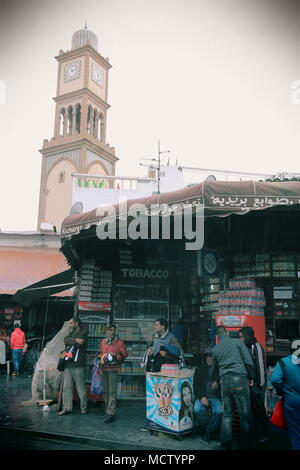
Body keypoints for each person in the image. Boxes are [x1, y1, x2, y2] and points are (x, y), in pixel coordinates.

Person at [211, 326, 254, 450]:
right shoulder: (237, 342)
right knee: (244, 412)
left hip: (224, 380)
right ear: (227, 332)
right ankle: (246, 444)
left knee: (227, 413)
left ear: (218, 336)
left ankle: (225, 443)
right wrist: (251, 377)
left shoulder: (216, 349)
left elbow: (214, 368)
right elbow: (249, 361)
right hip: (239, 378)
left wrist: (215, 381)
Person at [239, 326, 269, 442]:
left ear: (247, 336)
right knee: (252, 411)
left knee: (259, 411)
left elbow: (261, 368)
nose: (240, 339)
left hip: (257, 385)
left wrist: (259, 386)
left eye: (242, 337)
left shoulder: (256, 347)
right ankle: (255, 434)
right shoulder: (245, 347)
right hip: (250, 385)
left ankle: (263, 434)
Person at [270, 338, 300, 450]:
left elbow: (274, 380)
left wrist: (281, 391)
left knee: (295, 432)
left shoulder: (283, 362)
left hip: (292, 402)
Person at [58, 317, 88, 416]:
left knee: (81, 388)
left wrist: (71, 340)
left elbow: (81, 342)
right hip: (68, 364)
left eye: (71, 323)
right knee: (67, 388)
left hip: (78, 364)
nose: (69, 325)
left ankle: (83, 408)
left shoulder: (84, 331)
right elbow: (65, 340)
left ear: (77, 323)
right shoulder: (69, 333)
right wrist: (75, 340)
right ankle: (67, 408)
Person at [99, 324, 128, 423]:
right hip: (104, 369)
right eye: (110, 330)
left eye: (114, 330)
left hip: (113, 369)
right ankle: (107, 411)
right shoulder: (103, 342)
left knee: (112, 392)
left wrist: (115, 355)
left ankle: (111, 413)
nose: (112, 332)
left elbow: (124, 354)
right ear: (106, 331)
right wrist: (100, 356)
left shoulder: (119, 342)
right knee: (106, 391)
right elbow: (101, 352)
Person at [193, 348, 222, 439]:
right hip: (203, 396)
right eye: (207, 357)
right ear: (204, 358)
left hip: (215, 397)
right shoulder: (199, 369)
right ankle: (210, 427)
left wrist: (218, 381)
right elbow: (196, 385)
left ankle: (210, 430)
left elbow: (224, 383)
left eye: (211, 357)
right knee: (197, 410)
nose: (209, 359)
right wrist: (202, 397)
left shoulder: (219, 369)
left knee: (219, 411)